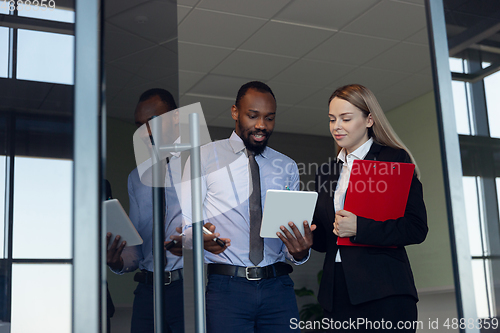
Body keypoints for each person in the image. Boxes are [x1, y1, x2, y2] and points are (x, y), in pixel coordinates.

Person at [181, 81, 316, 333]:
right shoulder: (203, 158)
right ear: (235, 112)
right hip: (226, 290)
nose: (261, 125)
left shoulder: (286, 165)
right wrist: (201, 238)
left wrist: (300, 252)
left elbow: (290, 238)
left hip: (278, 289)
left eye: (269, 118)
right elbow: (186, 230)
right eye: (252, 116)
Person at [311, 84, 428, 332]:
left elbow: (416, 228)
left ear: (369, 120)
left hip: (384, 293)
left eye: (346, 118)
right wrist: (304, 236)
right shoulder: (326, 174)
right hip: (336, 295)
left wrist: (359, 227)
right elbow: (324, 241)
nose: (336, 126)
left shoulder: (394, 159)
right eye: (332, 119)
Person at [106, 88, 184, 333]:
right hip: (147, 292)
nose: (144, 132)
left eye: (152, 123)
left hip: (188, 289)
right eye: (139, 125)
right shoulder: (136, 178)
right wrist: (118, 261)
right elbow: (137, 248)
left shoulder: (202, 165)